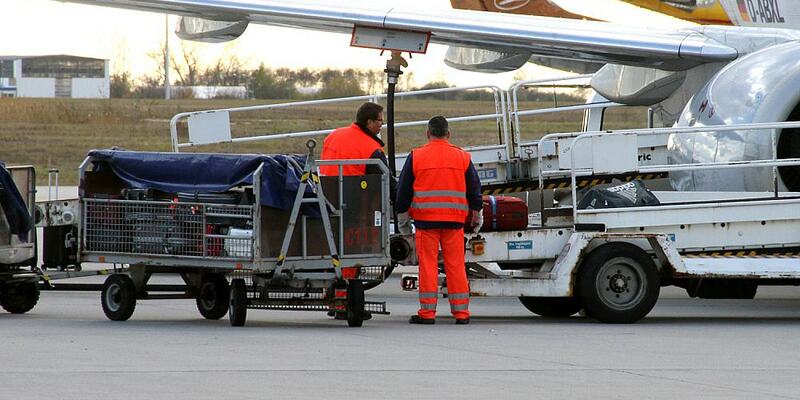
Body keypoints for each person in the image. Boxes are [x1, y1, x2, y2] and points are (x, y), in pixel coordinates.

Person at [395, 116, 483, 325]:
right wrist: (477, 212)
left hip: (426, 222)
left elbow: (403, 190)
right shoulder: (462, 157)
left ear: (428, 134)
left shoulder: (417, 156)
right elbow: (474, 189)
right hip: (454, 222)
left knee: (428, 265)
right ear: (448, 134)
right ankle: (461, 313)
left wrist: (402, 216)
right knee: (456, 266)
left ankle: (427, 313)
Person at [320, 102, 396, 204]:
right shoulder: (372, 149)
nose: (382, 124)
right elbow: (388, 185)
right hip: (355, 205)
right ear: (369, 122)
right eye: (380, 120)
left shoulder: (333, 135)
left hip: (325, 199)